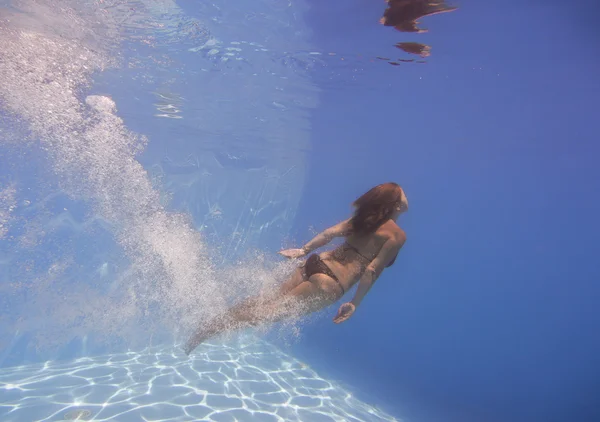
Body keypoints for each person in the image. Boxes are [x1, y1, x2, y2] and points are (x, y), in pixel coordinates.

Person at [184, 182, 408, 355]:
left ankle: (210, 325)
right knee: (267, 312)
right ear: (396, 204)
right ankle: (208, 331)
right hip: (330, 282)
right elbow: (371, 271)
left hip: (315, 262)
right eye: (402, 193)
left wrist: (303, 250)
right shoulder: (396, 235)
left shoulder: (365, 219)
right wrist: (354, 303)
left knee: (265, 302)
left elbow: (329, 233)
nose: (407, 195)